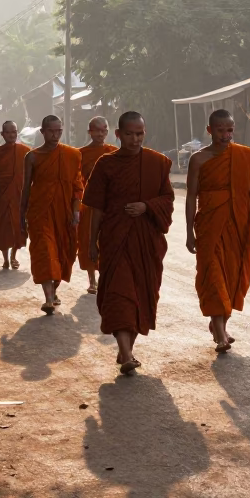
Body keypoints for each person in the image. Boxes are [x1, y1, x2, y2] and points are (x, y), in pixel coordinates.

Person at [84, 111, 174, 375]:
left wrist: (147, 206)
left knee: (140, 296)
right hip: (115, 239)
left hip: (146, 241)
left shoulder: (158, 163)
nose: (135, 139)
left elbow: (168, 199)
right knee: (119, 294)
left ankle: (126, 349)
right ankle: (126, 354)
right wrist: (92, 242)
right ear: (118, 135)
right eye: (130, 134)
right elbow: (97, 208)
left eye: (140, 134)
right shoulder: (105, 164)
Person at [185, 109, 250, 353]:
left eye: (229, 129)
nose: (225, 134)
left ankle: (220, 325)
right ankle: (220, 334)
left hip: (239, 225)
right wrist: (189, 231)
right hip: (209, 225)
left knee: (232, 277)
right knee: (212, 275)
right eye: (220, 130)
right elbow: (190, 197)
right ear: (209, 130)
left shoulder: (245, 157)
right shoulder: (198, 159)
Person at [19, 115, 83, 314]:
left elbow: (77, 186)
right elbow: (26, 188)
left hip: (64, 213)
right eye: (51, 131)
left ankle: (53, 290)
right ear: (43, 132)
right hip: (40, 212)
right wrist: (22, 214)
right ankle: (48, 298)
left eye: (58, 131)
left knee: (64, 254)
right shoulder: (32, 157)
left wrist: (76, 210)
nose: (55, 135)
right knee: (45, 252)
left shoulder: (73, 155)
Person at [77, 116, 117, 294]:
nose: (101, 134)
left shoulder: (114, 152)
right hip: (89, 203)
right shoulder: (80, 153)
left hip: (110, 203)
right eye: (97, 130)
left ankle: (105, 277)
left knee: (108, 240)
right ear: (90, 132)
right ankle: (92, 280)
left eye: (104, 130)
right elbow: (76, 180)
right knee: (88, 240)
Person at [0, 121, 29, 269]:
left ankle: (13, 256)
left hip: (19, 196)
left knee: (19, 228)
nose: (12, 135)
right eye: (8, 132)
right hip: (2, 196)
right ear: (2, 134)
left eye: (14, 132)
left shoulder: (26, 151)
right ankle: (5, 258)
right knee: (3, 228)